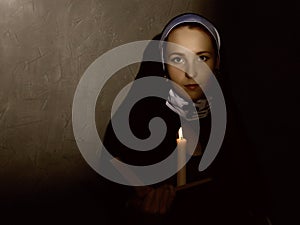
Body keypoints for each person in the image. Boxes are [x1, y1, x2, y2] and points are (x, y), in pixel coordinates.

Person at [102, 13, 269, 225]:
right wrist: (138, 207)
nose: (191, 73)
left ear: (217, 62)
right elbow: (114, 198)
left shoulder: (230, 122)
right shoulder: (138, 125)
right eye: (178, 59)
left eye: (202, 58)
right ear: (163, 64)